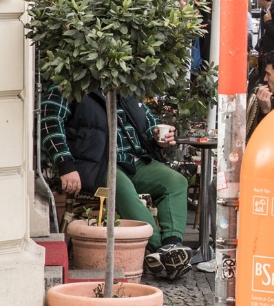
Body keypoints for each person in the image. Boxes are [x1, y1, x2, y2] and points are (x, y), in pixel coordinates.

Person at [41, 86, 193, 280]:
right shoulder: (71, 82)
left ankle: (172, 244)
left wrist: (160, 137)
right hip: (96, 164)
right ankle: (163, 250)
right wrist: (65, 164)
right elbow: (50, 122)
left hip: (136, 161)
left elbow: (149, 126)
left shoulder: (126, 87)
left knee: (175, 181)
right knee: (119, 187)